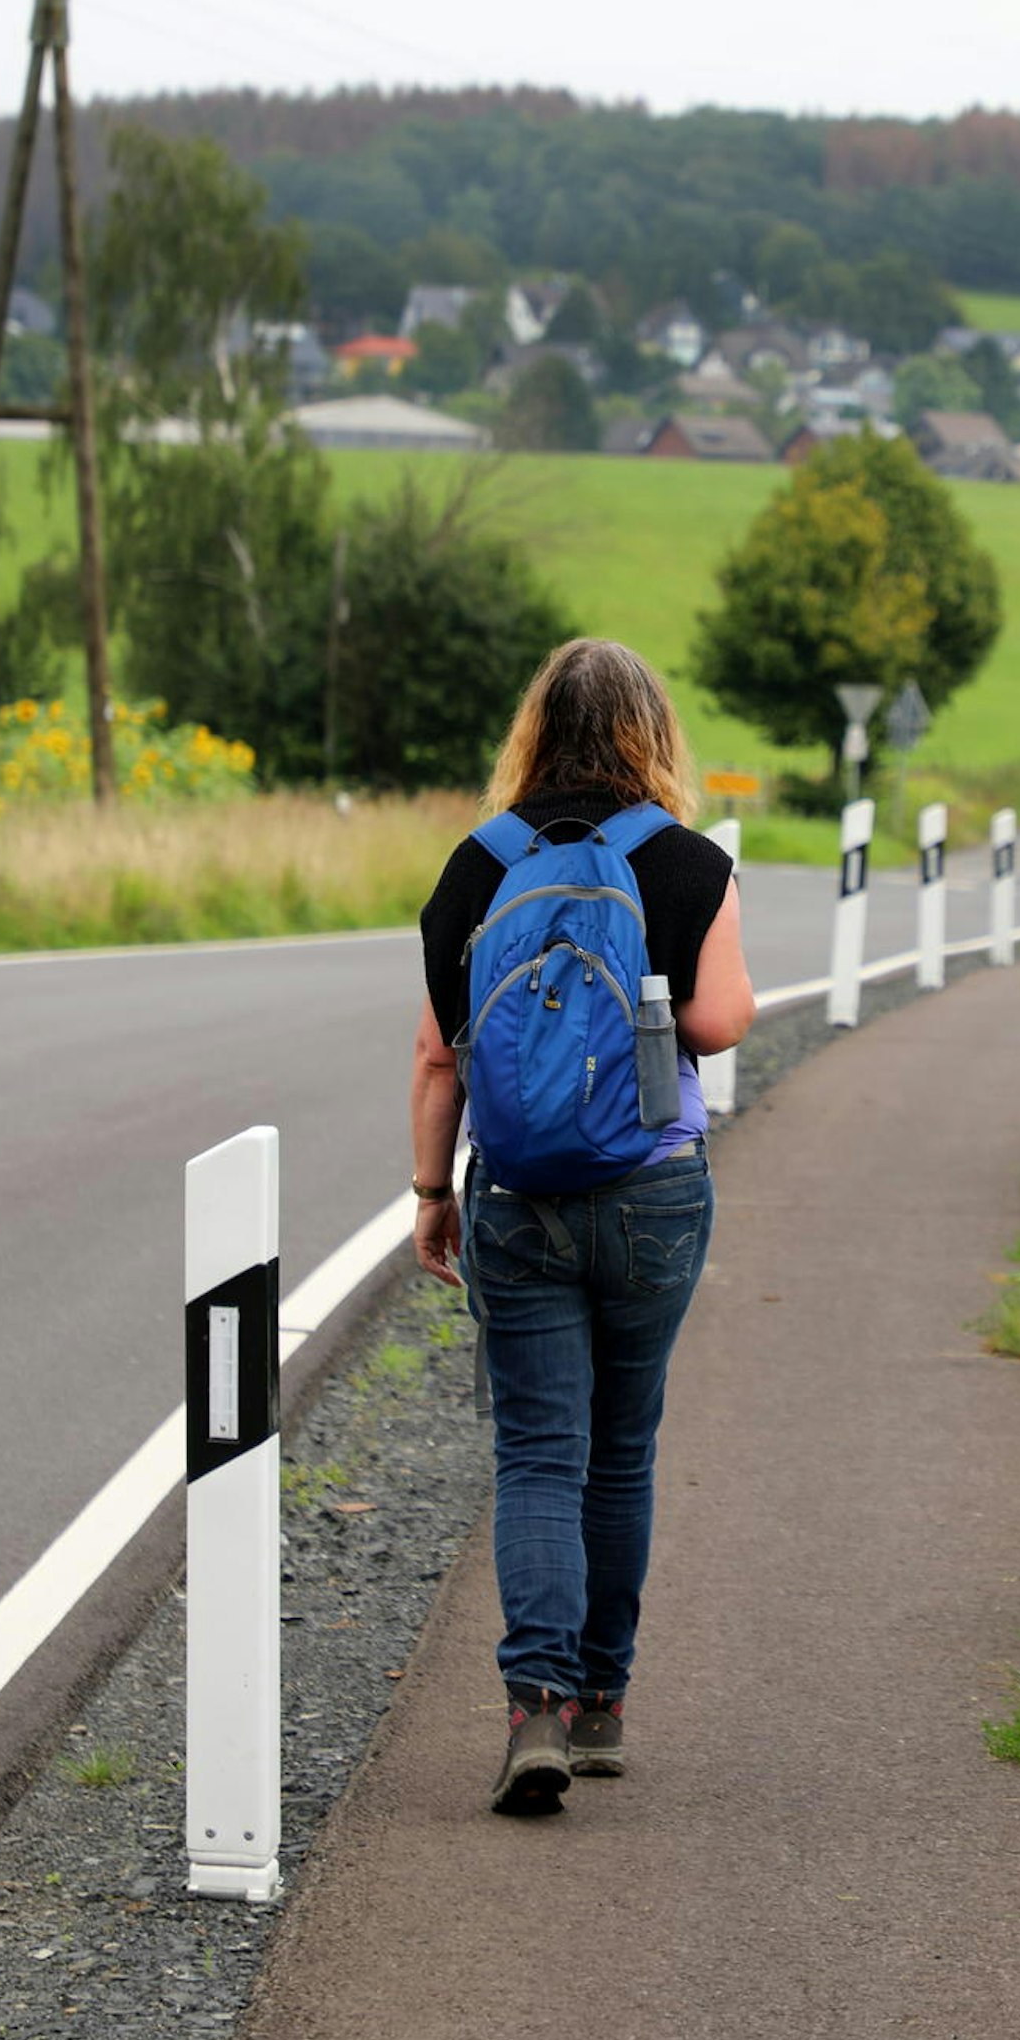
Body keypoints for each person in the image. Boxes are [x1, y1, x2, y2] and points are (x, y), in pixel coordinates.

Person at [409, 637, 756, 1815]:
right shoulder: (686, 863)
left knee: (537, 1453)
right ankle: (603, 1702)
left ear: (533, 731)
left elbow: (436, 1054)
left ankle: (535, 1711)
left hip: (517, 1201)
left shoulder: (480, 863)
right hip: (652, 1192)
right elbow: (720, 1023)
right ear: (653, 733)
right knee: (620, 1448)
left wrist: (431, 1194)